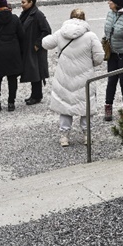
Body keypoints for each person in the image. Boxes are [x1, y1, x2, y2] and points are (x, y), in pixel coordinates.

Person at [44, 9, 105, 147]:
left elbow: (45, 43)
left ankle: (64, 136)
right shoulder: (90, 36)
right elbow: (99, 57)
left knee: (65, 105)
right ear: (84, 20)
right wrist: (91, 64)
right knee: (86, 105)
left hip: (64, 75)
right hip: (85, 75)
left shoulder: (61, 33)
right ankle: (87, 135)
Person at [20, 0, 52, 105]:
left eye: (24, 2)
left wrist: (37, 44)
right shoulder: (26, 13)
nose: (22, 4)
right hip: (29, 48)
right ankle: (34, 95)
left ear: (31, 2)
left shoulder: (37, 15)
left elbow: (47, 30)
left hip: (35, 49)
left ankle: (37, 96)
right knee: (33, 72)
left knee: (36, 72)